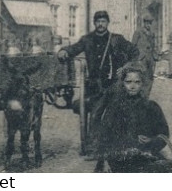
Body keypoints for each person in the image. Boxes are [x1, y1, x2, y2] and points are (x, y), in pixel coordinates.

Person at [58, 10, 138, 152]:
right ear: (94, 23)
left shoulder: (116, 39)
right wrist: (64, 51)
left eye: (103, 21)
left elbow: (134, 52)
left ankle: (116, 144)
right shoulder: (87, 40)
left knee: (113, 113)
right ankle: (93, 146)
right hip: (94, 87)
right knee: (95, 113)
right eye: (98, 22)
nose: (100, 24)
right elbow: (75, 48)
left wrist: (125, 68)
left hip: (114, 85)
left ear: (107, 23)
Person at [96, 64, 172, 172]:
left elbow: (163, 134)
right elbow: (104, 136)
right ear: (122, 84)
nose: (132, 86)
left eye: (137, 82)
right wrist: (104, 160)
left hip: (145, 155)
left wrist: (152, 140)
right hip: (119, 158)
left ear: (142, 84)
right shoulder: (115, 108)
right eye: (128, 82)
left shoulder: (151, 107)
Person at [132, 16, 159, 97]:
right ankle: (140, 95)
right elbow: (133, 45)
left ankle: (146, 96)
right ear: (144, 23)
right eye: (147, 23)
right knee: (141, 77)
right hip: (141, 58)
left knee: (150, 77)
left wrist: (155, 55)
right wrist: (135, 57)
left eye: (150, 23)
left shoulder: (152, 34)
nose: (149, 25)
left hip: (150, 58)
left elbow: (153, 46)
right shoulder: (138, 32)